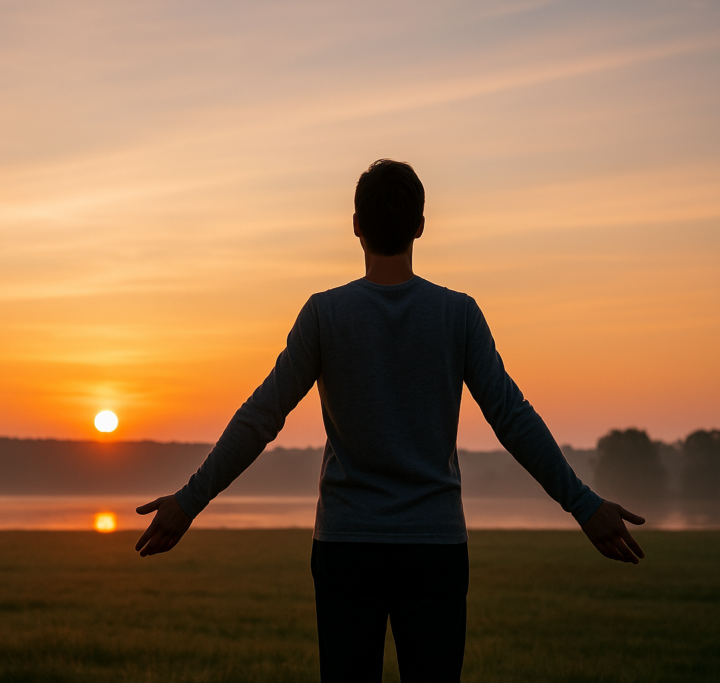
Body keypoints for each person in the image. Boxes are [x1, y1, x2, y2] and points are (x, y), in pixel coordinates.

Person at [134, 159, 645, 682]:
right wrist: (583, 504)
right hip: (435, 550)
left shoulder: (324, 314)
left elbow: (262, 416)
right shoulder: (458, 314)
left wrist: (189, 500)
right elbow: (512, 418)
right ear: (421, 225)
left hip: (346, 548)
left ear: (356, 225)